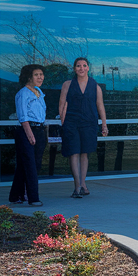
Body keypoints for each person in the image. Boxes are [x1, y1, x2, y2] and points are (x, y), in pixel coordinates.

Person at [57, 57, 108, 199]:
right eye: (78, 66)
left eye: (84, 65)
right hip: (71, 123)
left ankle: (83, 184)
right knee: (74, 152)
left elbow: (100, 105)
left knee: (84, 153)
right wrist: (63, 122)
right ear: (74, 68)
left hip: (89, 123)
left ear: (88, 68)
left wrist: (104, 124)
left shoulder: (95, 85)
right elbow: (62, 104)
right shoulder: (67, 84)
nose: (81, 68)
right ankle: (77, 186)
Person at [9, 64, 46, 206]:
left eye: (41, 74)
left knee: (30, 165)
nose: (40, 77)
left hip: (39, 129)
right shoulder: (23, 93)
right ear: (29, 77)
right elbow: (23, 116)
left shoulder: (38, 92)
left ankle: (15, 195)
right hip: (26, 131)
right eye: (36, 75)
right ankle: (33, 198)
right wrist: (30, 135)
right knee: (30, 165)